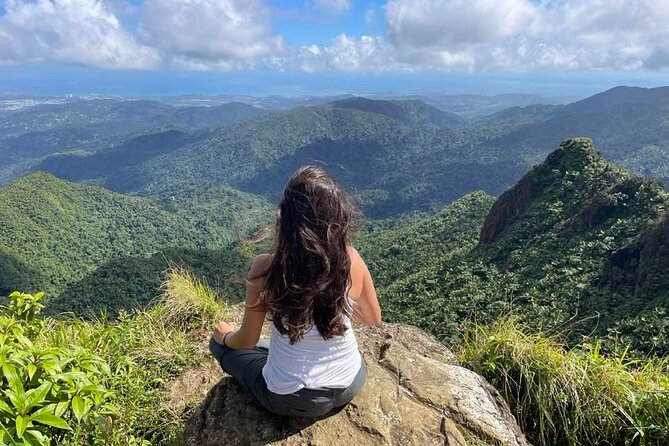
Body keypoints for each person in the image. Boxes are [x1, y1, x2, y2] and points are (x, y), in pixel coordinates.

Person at [209, 165, 382, 417]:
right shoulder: (351, 259)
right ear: (337, 216)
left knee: (220, 346)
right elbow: (372, 318)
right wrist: (331, 309)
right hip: (350, 382)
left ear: (286, 219)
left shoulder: (267, 267)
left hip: (291, 398)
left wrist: (224, 337)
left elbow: (245, 340)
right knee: (263, 345)